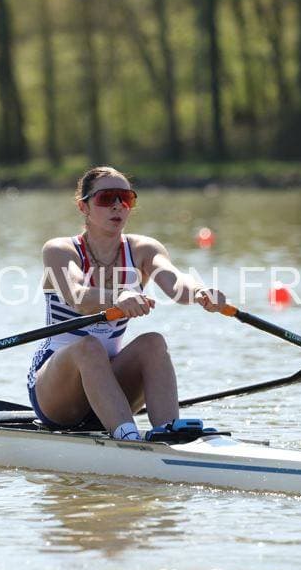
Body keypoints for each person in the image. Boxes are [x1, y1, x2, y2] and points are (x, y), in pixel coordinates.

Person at [27, 166, 227, 441]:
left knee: (153, 342)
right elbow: (77, 296)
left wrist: (200, 291)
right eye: (106, 198)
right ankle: (128, 437)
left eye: (126, 198)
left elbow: (176, 283)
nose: (118, 205)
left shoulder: (143, 249)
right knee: (88, 346)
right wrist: (117, 298)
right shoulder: (60, 250)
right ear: (83, 207)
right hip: (57, 394)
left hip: (111, 385)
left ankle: (169, 433)